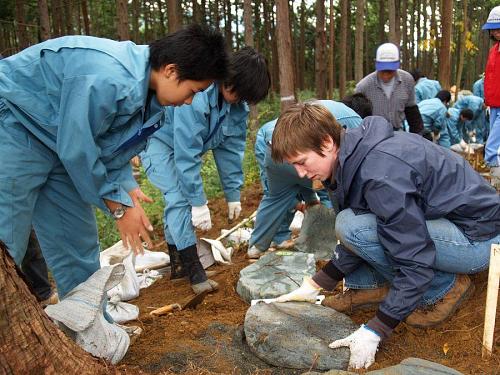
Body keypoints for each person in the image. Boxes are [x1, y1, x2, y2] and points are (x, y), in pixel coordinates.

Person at [0, 25, 228, 302]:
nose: (190, 101)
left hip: (56, 141)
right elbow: (78, 148)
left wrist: (125, 185)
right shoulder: (109, 77)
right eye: (193, 90)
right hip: (15, 121)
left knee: (78, 245)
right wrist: (118, 208)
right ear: (170, 70)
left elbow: (110, 146)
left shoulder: (152, 101)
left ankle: (89, 327)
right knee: (7, 239)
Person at [270, 103, 500, 370]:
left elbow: (413, 259)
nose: (301, 174)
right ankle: (384, 287)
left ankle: (443, 290)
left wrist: (376, 329)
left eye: (301, 162)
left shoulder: (380, 174)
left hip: (480, 239)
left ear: (326, 142)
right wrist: (317, 283)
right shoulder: (352, 158)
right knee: (356, 225)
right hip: (456, 222)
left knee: (352, 226)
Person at [141, 47, 270, 293]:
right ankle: (194, 271)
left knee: (178, 201)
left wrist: (233, 195)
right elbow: (186, 153)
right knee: (179, 198)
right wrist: (199, 203)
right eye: (234, 88)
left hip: (183, 150)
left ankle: (178, 266)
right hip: (157, 142)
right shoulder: (198, 96)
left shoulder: (237, 109)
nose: (235, 96)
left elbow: (230, 152)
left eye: (243, 96)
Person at [247, 100, 362, 259]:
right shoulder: (352, 121)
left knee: (276, 197)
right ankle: (331, 247)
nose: (300, 173)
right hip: (295, 148)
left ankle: (257, 246)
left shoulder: (302, 116)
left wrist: (309, 199)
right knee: (331, 191)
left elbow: (292, 180)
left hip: (274, 149)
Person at [355, 42, 423, 134]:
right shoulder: (363, 87)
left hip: (398, 133)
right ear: (376, 64)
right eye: (383, 71)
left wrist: (417, 138)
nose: (386, 75)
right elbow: (358, 120)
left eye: (390, 71)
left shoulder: (407, 80)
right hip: (373, 135)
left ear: (397, 65)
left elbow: (412, 113)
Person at [483, 6, 500, 183]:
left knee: (492, 147)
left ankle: (496, 179)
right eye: (493, 29)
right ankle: (495, 182)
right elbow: (489, 77)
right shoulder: (493, 51)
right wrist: (486, 100)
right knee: (494, 142)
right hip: (493, 103)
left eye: (499, 28)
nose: (496, 32)